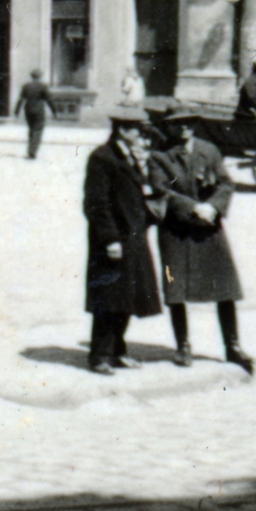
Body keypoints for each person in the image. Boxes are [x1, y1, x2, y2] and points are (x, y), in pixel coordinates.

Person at [148, 100, 254, 373]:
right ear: (168, 126)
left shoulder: (210, 151)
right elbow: (162, 192)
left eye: (188, 122)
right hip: (176, 231)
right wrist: (194, 208)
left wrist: (213, 206)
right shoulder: (159, 156)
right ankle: (182, 346)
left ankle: (232, 346)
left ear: (194, 125)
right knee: (175, 287)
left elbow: (226, 183)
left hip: (209, 229)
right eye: (177, 123)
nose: (183, 128)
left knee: (225, 287)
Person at [81, 107, 163, 375]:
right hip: (114, 240)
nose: (141, 134)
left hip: (134, 237)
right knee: (108, 298)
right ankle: (99, 355)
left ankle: (117, 350)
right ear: (123, 130)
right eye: (137, 130)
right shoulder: (102, 158)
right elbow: (96, 203)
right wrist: (109, 239)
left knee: (128, 297)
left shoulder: (133, 156)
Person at [14, 70, 56, 159]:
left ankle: (31, 149)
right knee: (37, 130)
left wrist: (16, 111)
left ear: (31, 76)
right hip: (39, 110)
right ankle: (32, 151)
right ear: (40, 76)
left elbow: (21, 99)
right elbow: (49, 100)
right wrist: (54, 111)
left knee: (32, 129)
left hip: (28, 109)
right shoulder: (43, 86)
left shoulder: (26, 86)